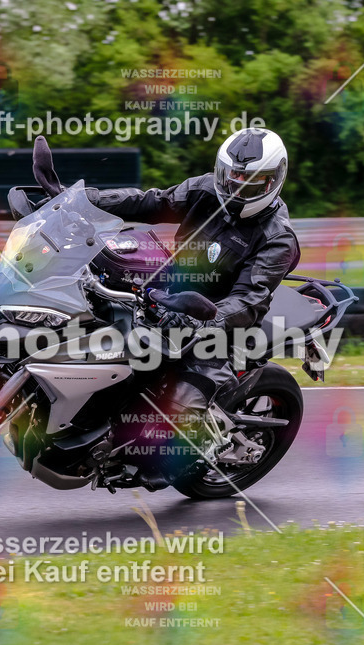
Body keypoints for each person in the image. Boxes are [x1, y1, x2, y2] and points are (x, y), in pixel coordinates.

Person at [89, 127, 302, 488]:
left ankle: (166, 462)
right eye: (231, 177)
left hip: (222, 323)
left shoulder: (276, 237)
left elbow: (249, 298)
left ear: (274, 180)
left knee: (183, 402)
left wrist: (205, 319)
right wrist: (84, 199)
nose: (236, 188)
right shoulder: (205, 189)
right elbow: (149, 201)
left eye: (250, 183)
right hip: (170, 292)